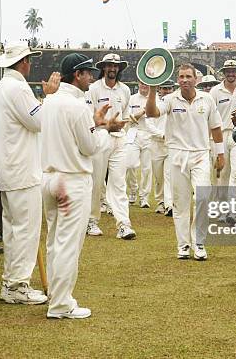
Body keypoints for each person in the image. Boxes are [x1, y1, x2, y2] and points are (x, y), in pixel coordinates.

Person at [40, 53, 123, 319]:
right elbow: (90, 148)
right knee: (67, 245)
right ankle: (61, 304)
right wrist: (105, 130)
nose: (91, 78)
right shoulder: (76, 106)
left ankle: (56, 295)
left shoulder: (49, 101)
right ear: (77, 75)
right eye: (88, 73)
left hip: (50, 178)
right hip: (71, 180)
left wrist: (96, 124)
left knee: (55, 242)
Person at [0, 42, 59, 305]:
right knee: (26, 230)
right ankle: (17, 285)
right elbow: (40, 121)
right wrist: (50, 97)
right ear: (23, 62)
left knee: (13, 230)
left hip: (11, 170)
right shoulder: (17, 87)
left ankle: (12, 282)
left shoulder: (3, 86)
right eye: (29, 60)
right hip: (22, 170)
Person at [146, 63, 224, 260]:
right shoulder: (171, 99)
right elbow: (152, 113)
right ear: (178, 79)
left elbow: (215, 128)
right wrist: (153, 88)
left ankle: (198, 243)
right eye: (181, 77)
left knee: (203, 198)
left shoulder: (207, 100)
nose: (185, 80)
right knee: (181, 203)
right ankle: (183, 245)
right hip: (177, 155)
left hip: (201, 154)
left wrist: (220, 154)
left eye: (188, 76)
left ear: (196, 79)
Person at [86, 53, 136, 239]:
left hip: (119, 139)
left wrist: (120, 127)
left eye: (115, 66)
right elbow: (89, 117)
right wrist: (106, 125)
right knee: (97, 182)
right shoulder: (93, 89)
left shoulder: (124, 90)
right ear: (103, 68)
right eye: (109, 66)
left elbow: (125, 116)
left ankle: (123, 224)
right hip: (100, 137)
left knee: (118, 183)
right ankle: (91, 221)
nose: (112, 69)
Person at [210, 60, 236, 193]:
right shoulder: (215, 91)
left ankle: (233, 209)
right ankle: (221, 205)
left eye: (233, 71)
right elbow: (210, 116)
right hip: (220, 135)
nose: (231, 74)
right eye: (228, 71)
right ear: (224, 73)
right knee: (222, 172)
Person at [147, 80, 176, 216]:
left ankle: (170, 205)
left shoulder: (175, 104)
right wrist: (161, 134)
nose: (167, 91)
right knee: (158, 176)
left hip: (171, 145)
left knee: (169, 175)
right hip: (156, 144)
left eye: (170, 89)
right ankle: (160, 202)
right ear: (159, 89)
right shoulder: (154, 104)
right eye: (164, 89)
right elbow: (149, 124)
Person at [126, 82, 153, 208]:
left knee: (147, 169)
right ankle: (132, 190)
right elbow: (128, 118)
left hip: (149, 136)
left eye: (147, 84)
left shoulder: (154, 99)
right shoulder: (131, 99)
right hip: (134, 134)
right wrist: (142, 111)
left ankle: (144, 197)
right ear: (138, 83)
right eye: (142, 83)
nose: (144, 86)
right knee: (130, 165)